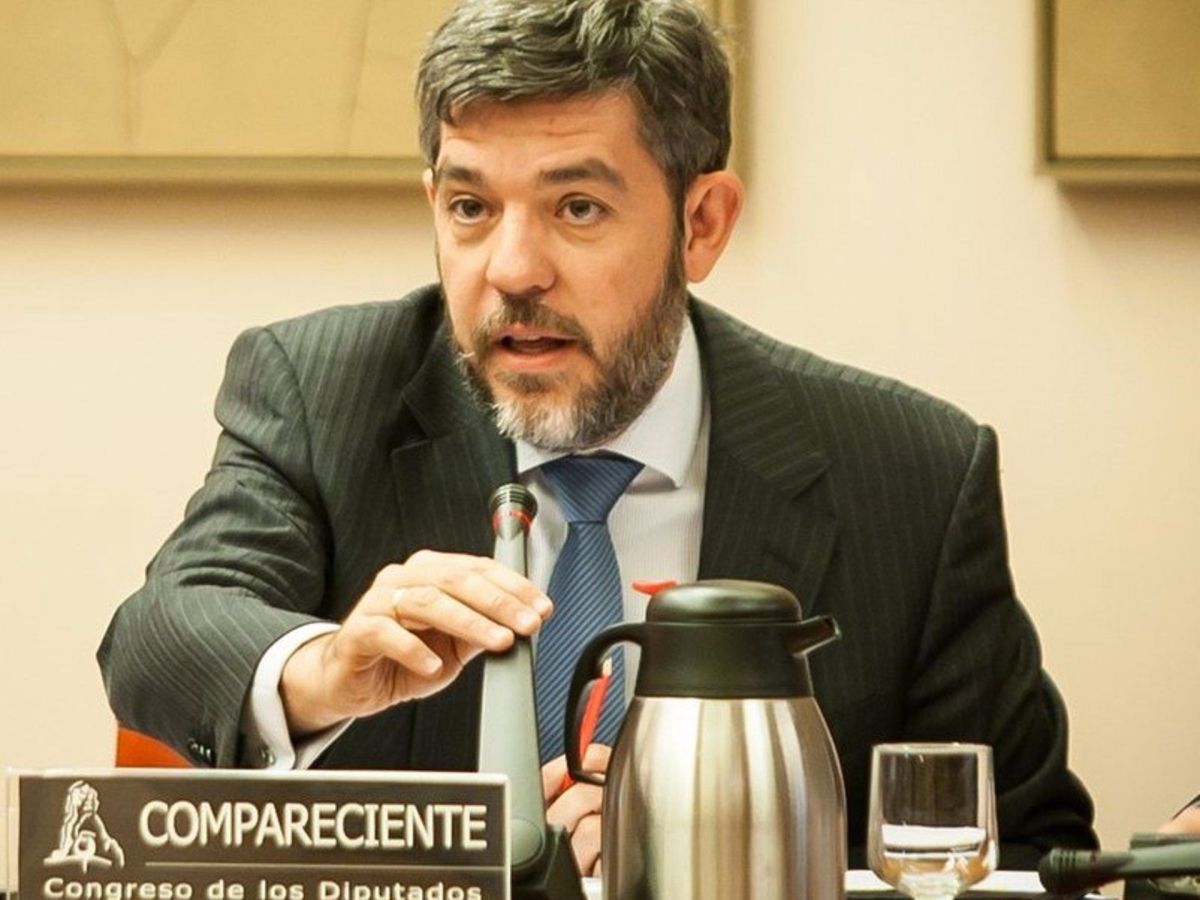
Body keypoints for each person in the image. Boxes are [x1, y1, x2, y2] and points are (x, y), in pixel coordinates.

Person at [98, 0, 1096, 874]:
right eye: (471, 207)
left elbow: (1018, 849)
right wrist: (324, 669)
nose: (512, 269)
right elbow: (161, 631)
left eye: (577, 207)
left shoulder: (911, 474)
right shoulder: (325, 392)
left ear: (701, 224)